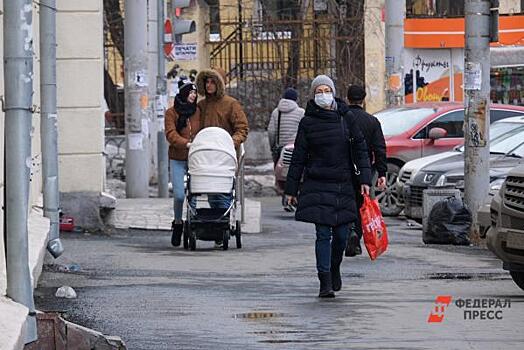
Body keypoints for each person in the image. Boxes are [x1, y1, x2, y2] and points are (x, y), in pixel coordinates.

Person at [285, 75, 371, 298]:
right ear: (313, 95)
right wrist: (291, 190)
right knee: (323, 234)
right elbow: (299, 157)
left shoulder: (346, 117)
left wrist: (364, 180)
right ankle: (324, 281)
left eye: (327, 90)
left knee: (342, 236)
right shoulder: (307, 121)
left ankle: (334, 268)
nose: (323, 94)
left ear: (333, 92)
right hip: (317, 183)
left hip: (344, 185)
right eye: (319, 91)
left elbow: (360, 148)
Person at [196, 67, 249, 247]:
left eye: (212, 82)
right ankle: (214, 225)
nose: (209, 85)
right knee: (211, 190)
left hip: (224, 154)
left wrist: (231, 142)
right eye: (206, 82)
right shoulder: (201, 106)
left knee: (223, 190)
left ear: (219, 84)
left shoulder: (231, 104)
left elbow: (242, 128)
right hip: (206, 154)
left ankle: (223, 224)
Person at [344, 85, 387, 257]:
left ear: (347, 98)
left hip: (342, 168)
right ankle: (356, 234)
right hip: (364, 170)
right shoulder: (372, 121)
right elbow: (380, 148)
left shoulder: (341, 118)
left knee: (344, 202)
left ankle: (347, 232)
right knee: (361, 204)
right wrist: (382, 173)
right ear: (364, 99)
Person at [165, 79, 200, 247]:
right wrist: (185, 143)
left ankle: (192, 223)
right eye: (190, 92)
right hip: (178, 156)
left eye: (195, 92)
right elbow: (170, 134)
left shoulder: (197, 112)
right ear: (184, 94)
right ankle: (178, 223)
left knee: (195, 192)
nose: (193, 95)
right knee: (179, 194)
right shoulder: (172, 113)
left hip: (196, 158)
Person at [267, 88, 305, 166]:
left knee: (280, 175)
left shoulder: (276, 112)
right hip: (296, 150)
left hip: (281, 151)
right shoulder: (301, 112)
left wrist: (273, 147)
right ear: (296, 99)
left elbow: (271, 132)